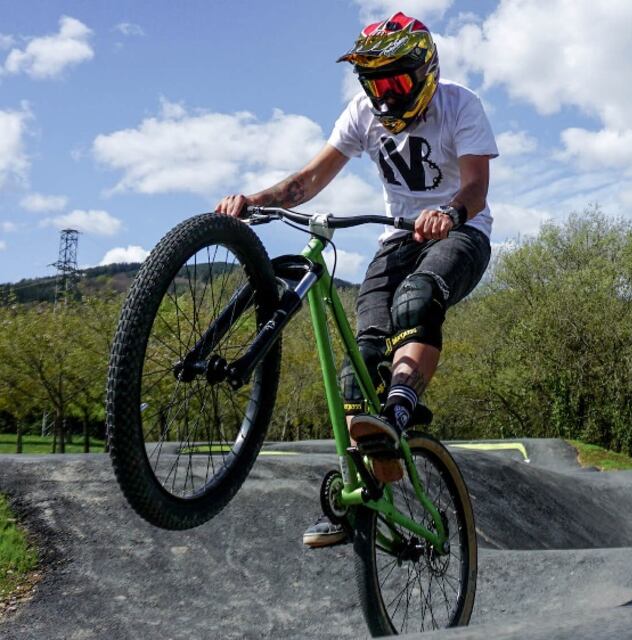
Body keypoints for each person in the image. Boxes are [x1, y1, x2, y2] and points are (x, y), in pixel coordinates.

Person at [214, 12, 497, 548]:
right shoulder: (362, 115)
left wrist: (451, 215)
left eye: (395, 81)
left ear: (425, 72)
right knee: (358, 359)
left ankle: (401, 406)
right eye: (374, 83)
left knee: (415, 302)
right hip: (397, 239)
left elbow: (477, 186)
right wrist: (255, 200)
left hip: (460, 235)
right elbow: (308, 180)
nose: (384, 95)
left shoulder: (461, 105)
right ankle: (360, 498)